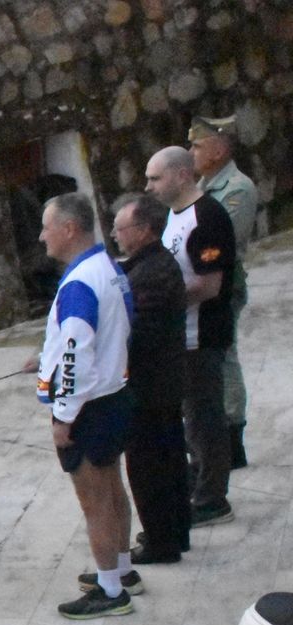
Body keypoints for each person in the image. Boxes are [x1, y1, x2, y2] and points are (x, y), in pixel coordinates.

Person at [34, 193, 136, 620]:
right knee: (113, 488)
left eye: (46, 228)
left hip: (88, 408)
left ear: (69, 229)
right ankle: (123, 570)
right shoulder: (108, 268)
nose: (42, 237)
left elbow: (77, 355)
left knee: (95, 501)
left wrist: (63, 416)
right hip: (114, 396)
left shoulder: (78, 283)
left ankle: (110, 591)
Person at [145, 145, 237, 527]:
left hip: (201, 335)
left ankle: (213, 499)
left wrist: (159, 302)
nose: (148, 186)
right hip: (180, 336)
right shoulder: (174, 214)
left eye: (155, 178)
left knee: (205, 418)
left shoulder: (207, 216)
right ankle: (196, 483)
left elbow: (209, 285)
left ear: (182, 175)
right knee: (192, 419)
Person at [111, 195, 190, 566]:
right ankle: (175, 531)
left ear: (143, 231)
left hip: (150, 387)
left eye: (120, 228)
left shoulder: (152, 273)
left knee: (149, 468)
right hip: (162, 382)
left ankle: (162, 541)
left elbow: (140, 334)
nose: (115, 234)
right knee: (169, 459)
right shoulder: (150, 265)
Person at [190, 116, 258, 470]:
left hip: (226, 284)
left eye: (197, 146)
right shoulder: (202, 185)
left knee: (226, 356)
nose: (191, 152)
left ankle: (233, 435)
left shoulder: (237, 188)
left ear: (218, 151)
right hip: (203, 281)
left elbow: (221, 240)